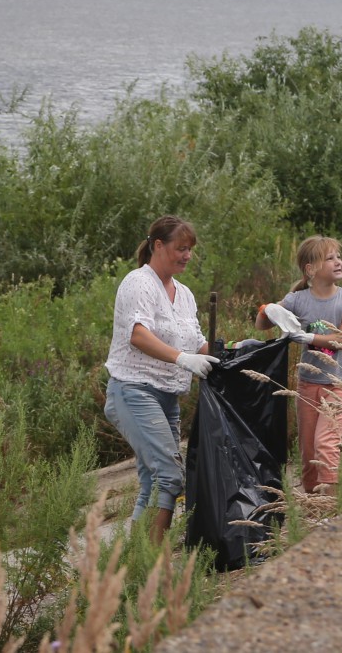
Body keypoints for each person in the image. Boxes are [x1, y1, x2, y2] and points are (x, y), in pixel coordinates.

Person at [104, 215, 219, 544]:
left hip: (167, 397)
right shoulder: (139, 283)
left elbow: (197, 342)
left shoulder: (184, 294)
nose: (187, 255)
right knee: (169, 475)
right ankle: (151, 559)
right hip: (133, 391)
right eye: (180, 248)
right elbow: (138, 335)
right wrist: (184, 359)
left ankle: (137, 562)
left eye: (190, 250)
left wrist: (231, 352)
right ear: (158, 245)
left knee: (154, 481)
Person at [255, 235, 342, 496]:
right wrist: (268, 310)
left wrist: (310, 337)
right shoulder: (297, 300)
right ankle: (314, 504)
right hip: (309, 384)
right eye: (330, 258)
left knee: (326, 442)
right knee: (309, 451)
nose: (338, 262)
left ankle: (331, 504)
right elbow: (262, 325)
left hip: (341, 382)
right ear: (310, 269)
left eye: (338, 256)